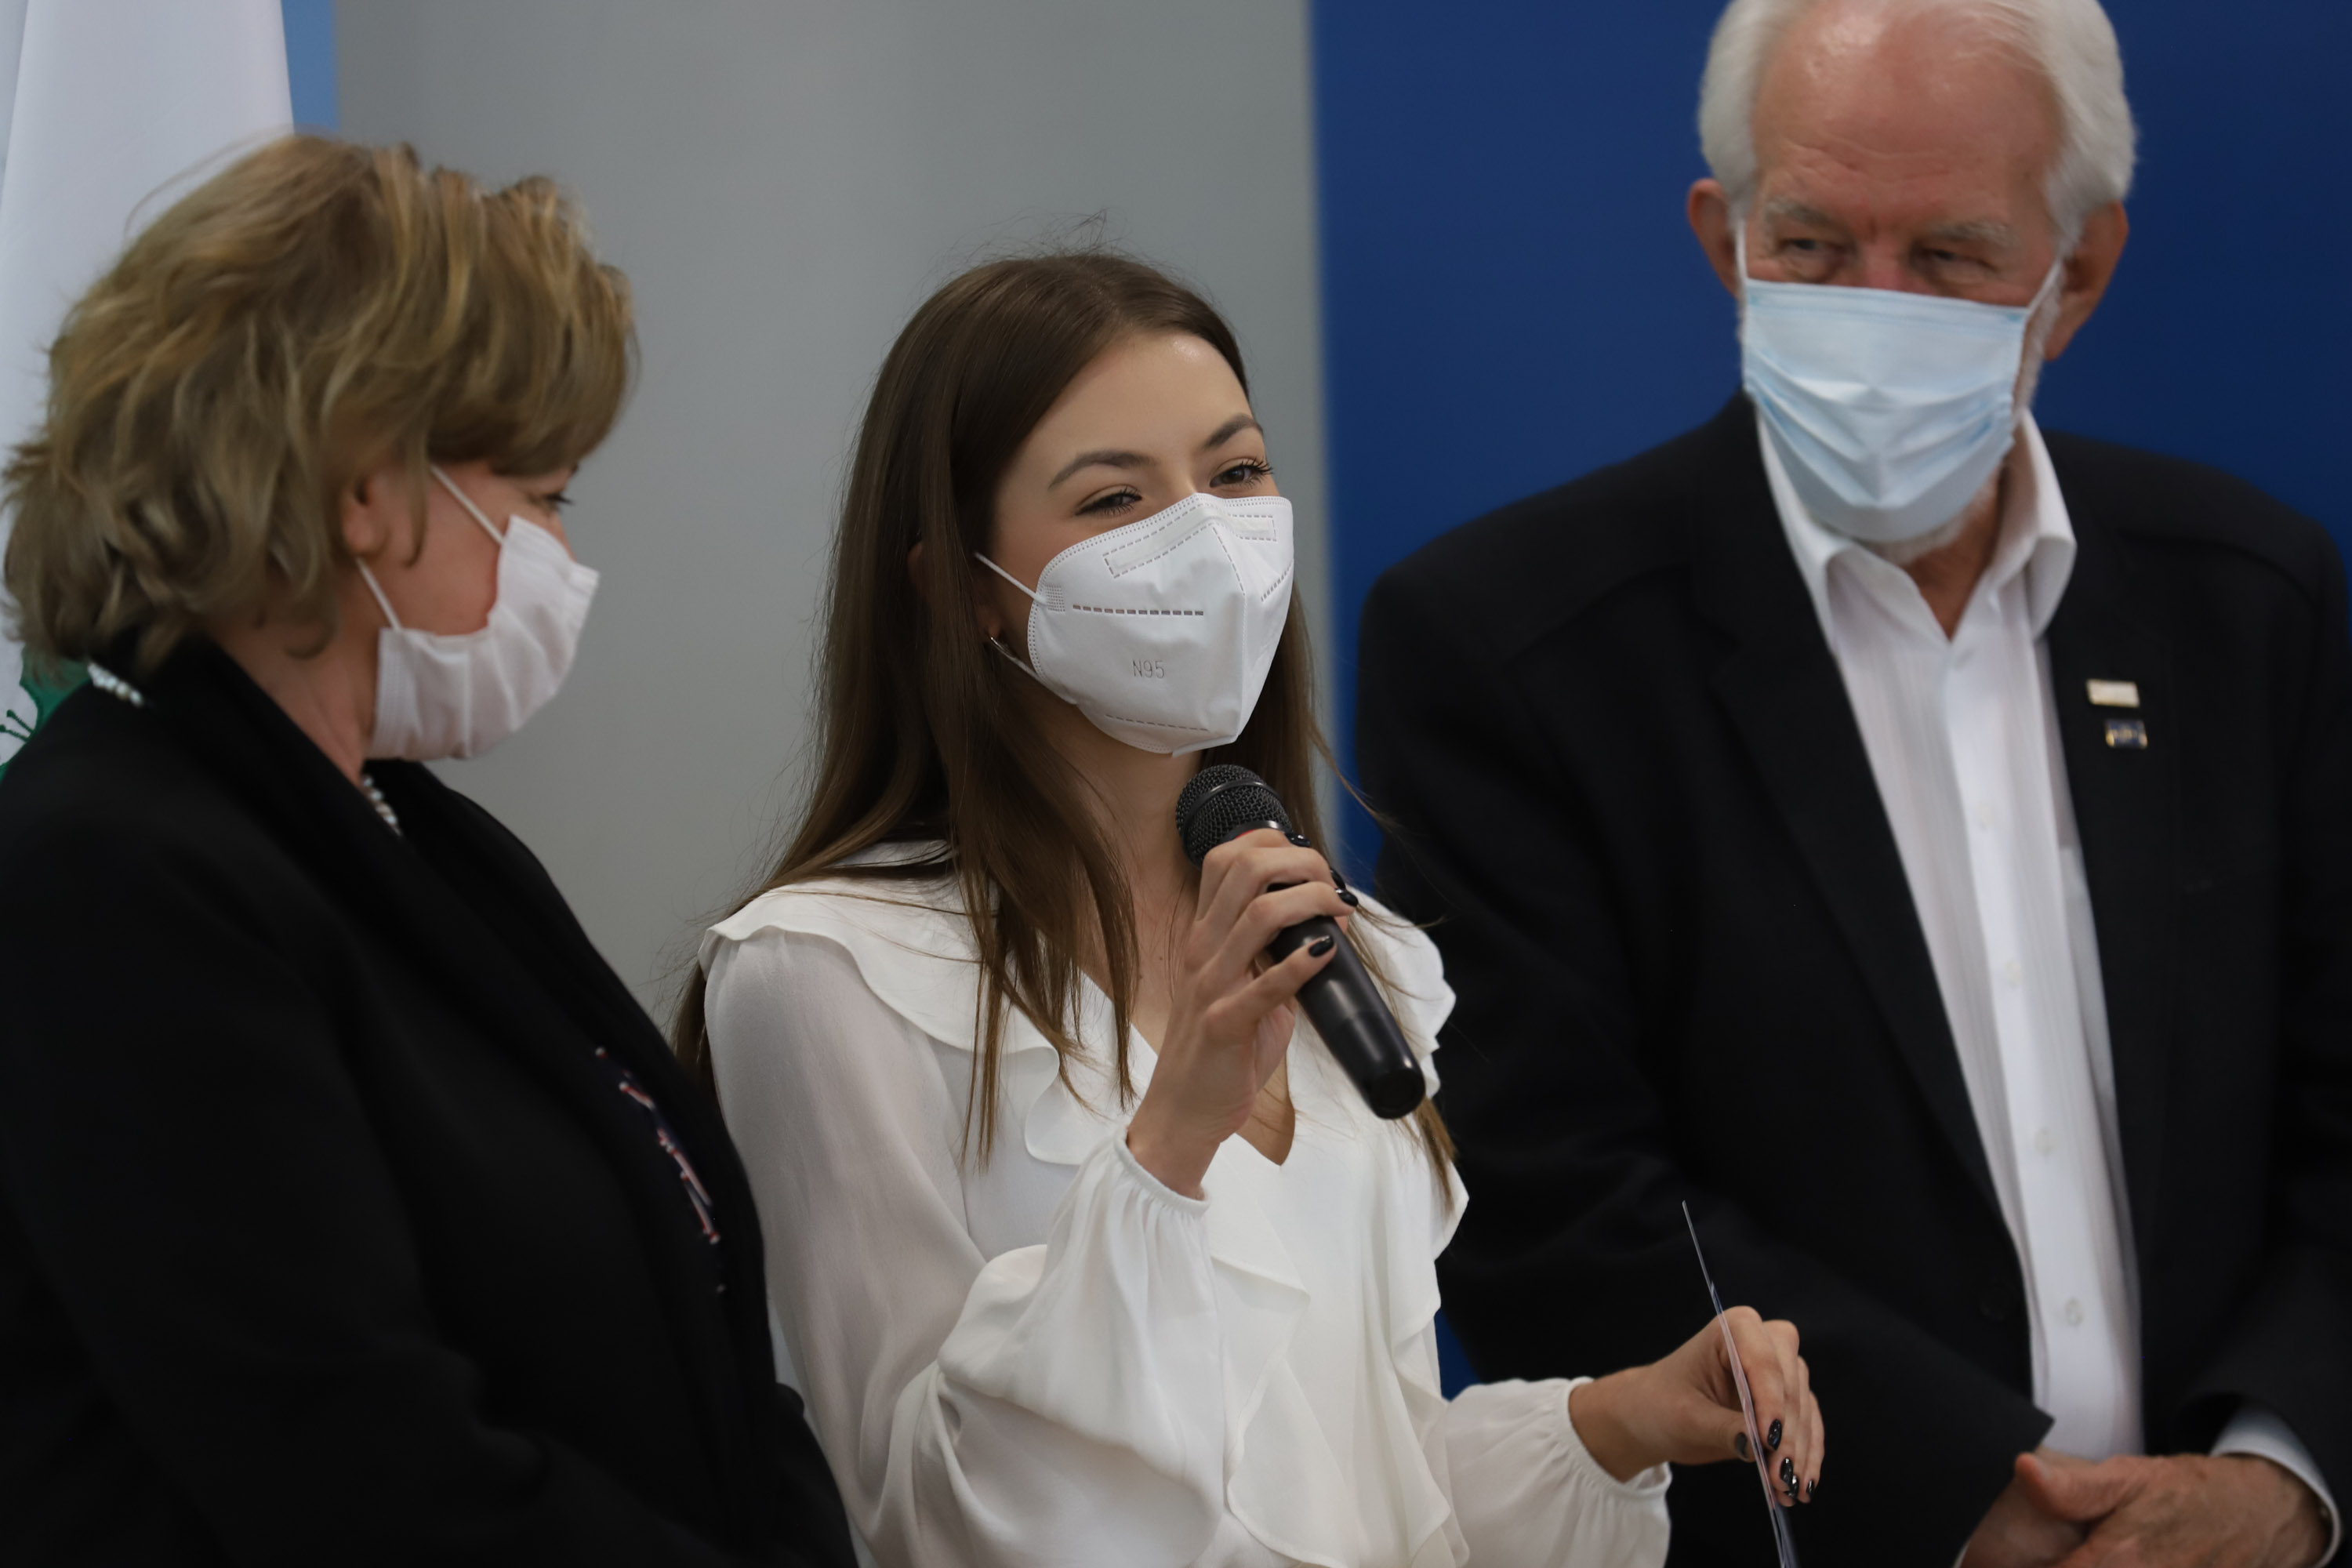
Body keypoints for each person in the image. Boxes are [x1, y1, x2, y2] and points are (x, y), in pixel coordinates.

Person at [1354, 0, 2350, 1564]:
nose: (1875, 311)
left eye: (1949, 259)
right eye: (1812, 246)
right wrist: (1966, 1501)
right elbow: (1546, 1194)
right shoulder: (1511, 645)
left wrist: (2286, 1474)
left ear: (2075, 274)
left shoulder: (2249, 601)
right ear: (1721, 238)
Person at [682, 252, 1824, 1566]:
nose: (1209, 537)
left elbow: (1348, 1481)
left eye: (1234, 475)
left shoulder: (1345, 946)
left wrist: (1612, 1423)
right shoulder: (824, 973)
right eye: (1117, 496)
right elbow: (915, 1514)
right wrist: (1171, 1133)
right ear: (959, 587)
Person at [0, 136, 855, 1566]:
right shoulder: (113, 871)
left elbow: (693, 1310)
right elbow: (348, 1461)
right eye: (540, 494)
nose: (557, 560)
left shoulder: (429, 843)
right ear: (364, 485)